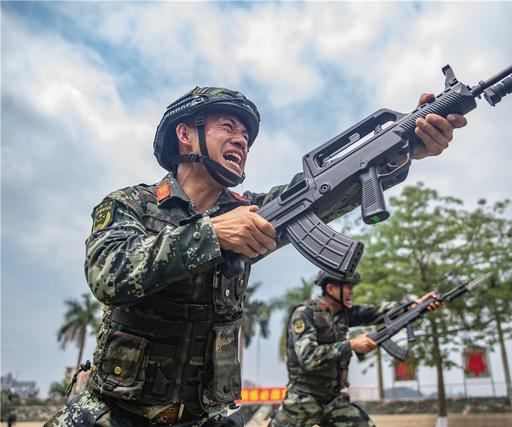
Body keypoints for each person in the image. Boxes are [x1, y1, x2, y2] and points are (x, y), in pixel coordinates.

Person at [45, 86, 466, 426]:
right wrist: (210, 234)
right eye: (228, 126)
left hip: (207, 417)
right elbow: (109, 275)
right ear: (185, 134)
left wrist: (399, 150)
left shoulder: (252, 211)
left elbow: (323, 196)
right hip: (114, 412)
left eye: (246, 135)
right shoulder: (130, 204)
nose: (242, 139)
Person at [269, 270, 442, 427]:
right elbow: (308, 358)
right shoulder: (305, 313)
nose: (352, 291)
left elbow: (379, 312)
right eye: (348, 287)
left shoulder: (344, 314)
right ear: (330, 288)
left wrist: (415, 306)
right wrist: (351, 345)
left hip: (333, 400)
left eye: (352, 287)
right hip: (303, 399)